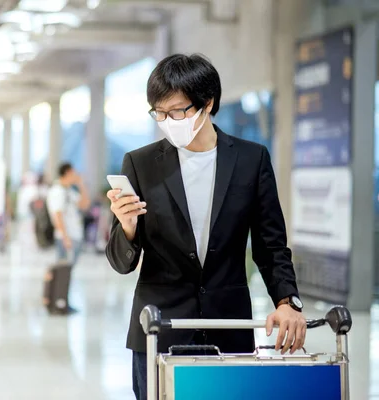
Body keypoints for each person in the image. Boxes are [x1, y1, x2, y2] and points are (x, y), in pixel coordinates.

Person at [104, 54, 306, 400]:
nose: (168, 121)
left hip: (227, 326)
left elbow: (270, 244)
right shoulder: (140, 163)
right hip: (158, 329)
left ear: (207, 104)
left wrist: (287, 301)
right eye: (160, 113)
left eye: (177, 111)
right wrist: (127, 229)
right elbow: (121, 262)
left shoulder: (250, 159)